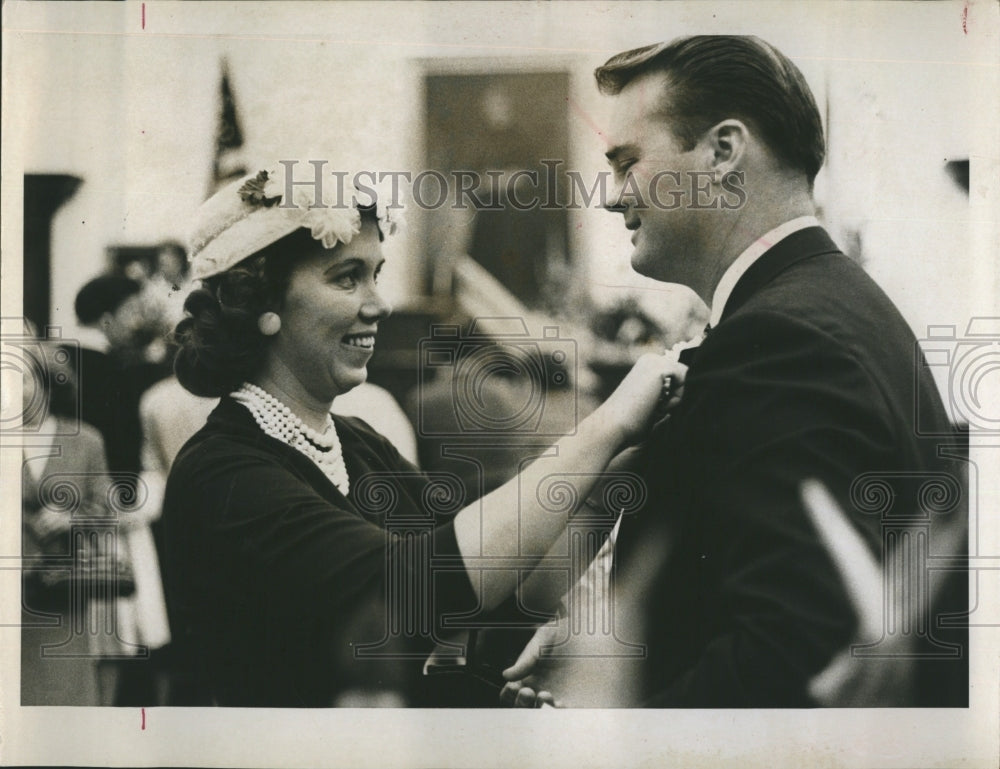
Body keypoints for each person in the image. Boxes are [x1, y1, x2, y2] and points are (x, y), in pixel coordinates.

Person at [502, 35, 966, 707]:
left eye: (627, 161)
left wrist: (607, 734)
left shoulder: (780, 339)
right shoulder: (826, 302)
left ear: (723, 152)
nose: (610, 196)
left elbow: (796, 655)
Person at [161, 165, 686, 707]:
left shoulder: (357, 443)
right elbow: (412, 592)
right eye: (347, 277)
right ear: (263, 303)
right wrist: (607, 425)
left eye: (376, 274)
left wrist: (630, 455)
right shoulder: (222, 473)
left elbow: (490, 582)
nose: (379, 303)